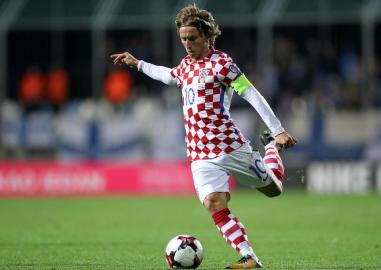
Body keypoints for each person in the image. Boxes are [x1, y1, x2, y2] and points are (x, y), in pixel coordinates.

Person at [111, 4, 297, 269]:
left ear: (207, 37)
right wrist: (138, 64)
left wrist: (278, 130)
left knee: (273, 189)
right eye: (184, 39)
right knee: (213, 202)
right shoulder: (185, 66)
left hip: (229, 147)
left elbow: (251, 93)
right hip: (199, 154)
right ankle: (249, 257)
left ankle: (270, 148)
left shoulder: (223, 64)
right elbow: (168, 76)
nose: (187, 44)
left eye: (193, 38)